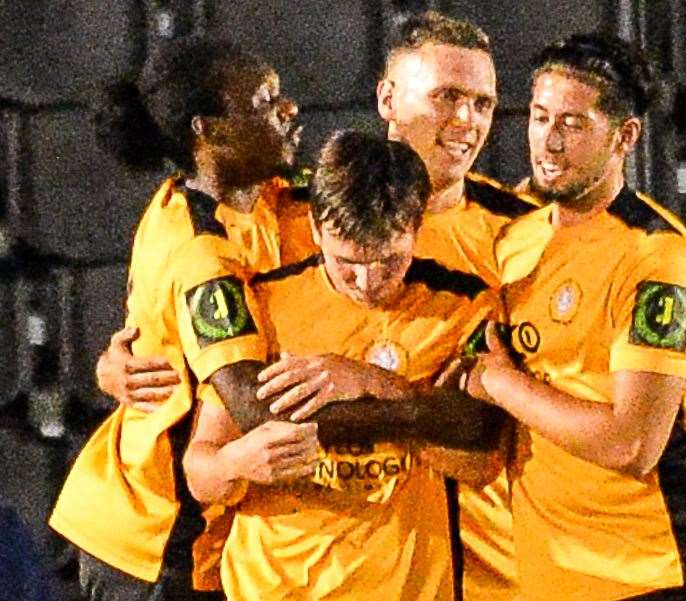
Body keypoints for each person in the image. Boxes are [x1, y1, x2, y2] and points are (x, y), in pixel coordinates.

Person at [96, 11, 549, 600]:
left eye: (483, 103)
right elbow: (218, 365)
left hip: (464, 557)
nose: (465, 119)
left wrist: (376, 386)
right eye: (445, 96)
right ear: (387, 98)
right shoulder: (291, 209)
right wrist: (115, 367)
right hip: (181, 529)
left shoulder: (525, 235)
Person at [468, 32, 686, 601]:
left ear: (625, 137)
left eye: (572, 123)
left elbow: (632, 444)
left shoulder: (657, 258)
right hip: (557, 583)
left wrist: (499, 382)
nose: (548, 140)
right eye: (540, 117)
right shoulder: (514, 243)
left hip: (661, 575)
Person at [184, 129, 507, 601]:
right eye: (347, 262)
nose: (368, 280)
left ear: (418, 227)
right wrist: (238, 462)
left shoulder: (463, 308)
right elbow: (201, 469)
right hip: (273, 587)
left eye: (389, 261)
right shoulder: (268, 304)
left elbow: (481, 464)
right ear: (316, 229)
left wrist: (375, 384)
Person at [49, 37, 318, 601]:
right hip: (157, 536)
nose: (289, 109)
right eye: (265, 102)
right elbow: (251, 407)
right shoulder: (201, 249)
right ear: (207, 131)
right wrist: (403, 410)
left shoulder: (262, 195)